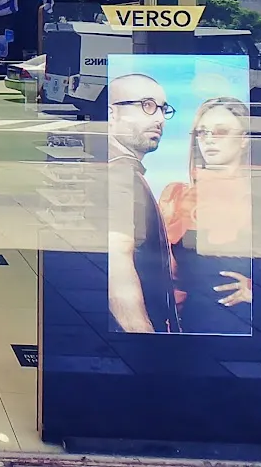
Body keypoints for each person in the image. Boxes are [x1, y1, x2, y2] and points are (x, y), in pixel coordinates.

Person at [159, 97, 254, 334]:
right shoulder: (177, 196)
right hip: (188, 325)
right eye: (202, 132)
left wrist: (258, 291)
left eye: (220, 131)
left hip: (243, 326)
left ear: (244, 139)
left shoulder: (260, 196)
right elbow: (162, 273)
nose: (209, 139)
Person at [107, 73, 181, 333]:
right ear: (112, 114)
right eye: (147, 105)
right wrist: (144, 337)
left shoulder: (125, 170)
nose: (159, 118)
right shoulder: (120, 175)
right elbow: (117, 261)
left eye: (163, 109)